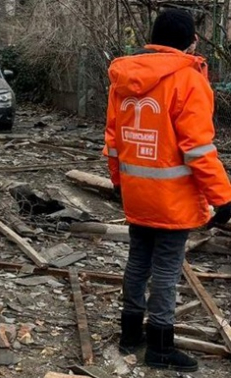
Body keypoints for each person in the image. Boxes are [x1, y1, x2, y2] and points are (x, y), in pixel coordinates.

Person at [104, 8, 231, 372]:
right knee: (165, 269)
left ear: (153, 37)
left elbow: (112, 138)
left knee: (138, 261)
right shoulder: (188, 81)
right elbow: (199, 149)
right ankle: (160, 343)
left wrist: (117, 180)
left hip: (136, 191)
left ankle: (130, 333)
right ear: (191, 41)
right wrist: (223, 198)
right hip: (173, 199)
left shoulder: (123, 77)